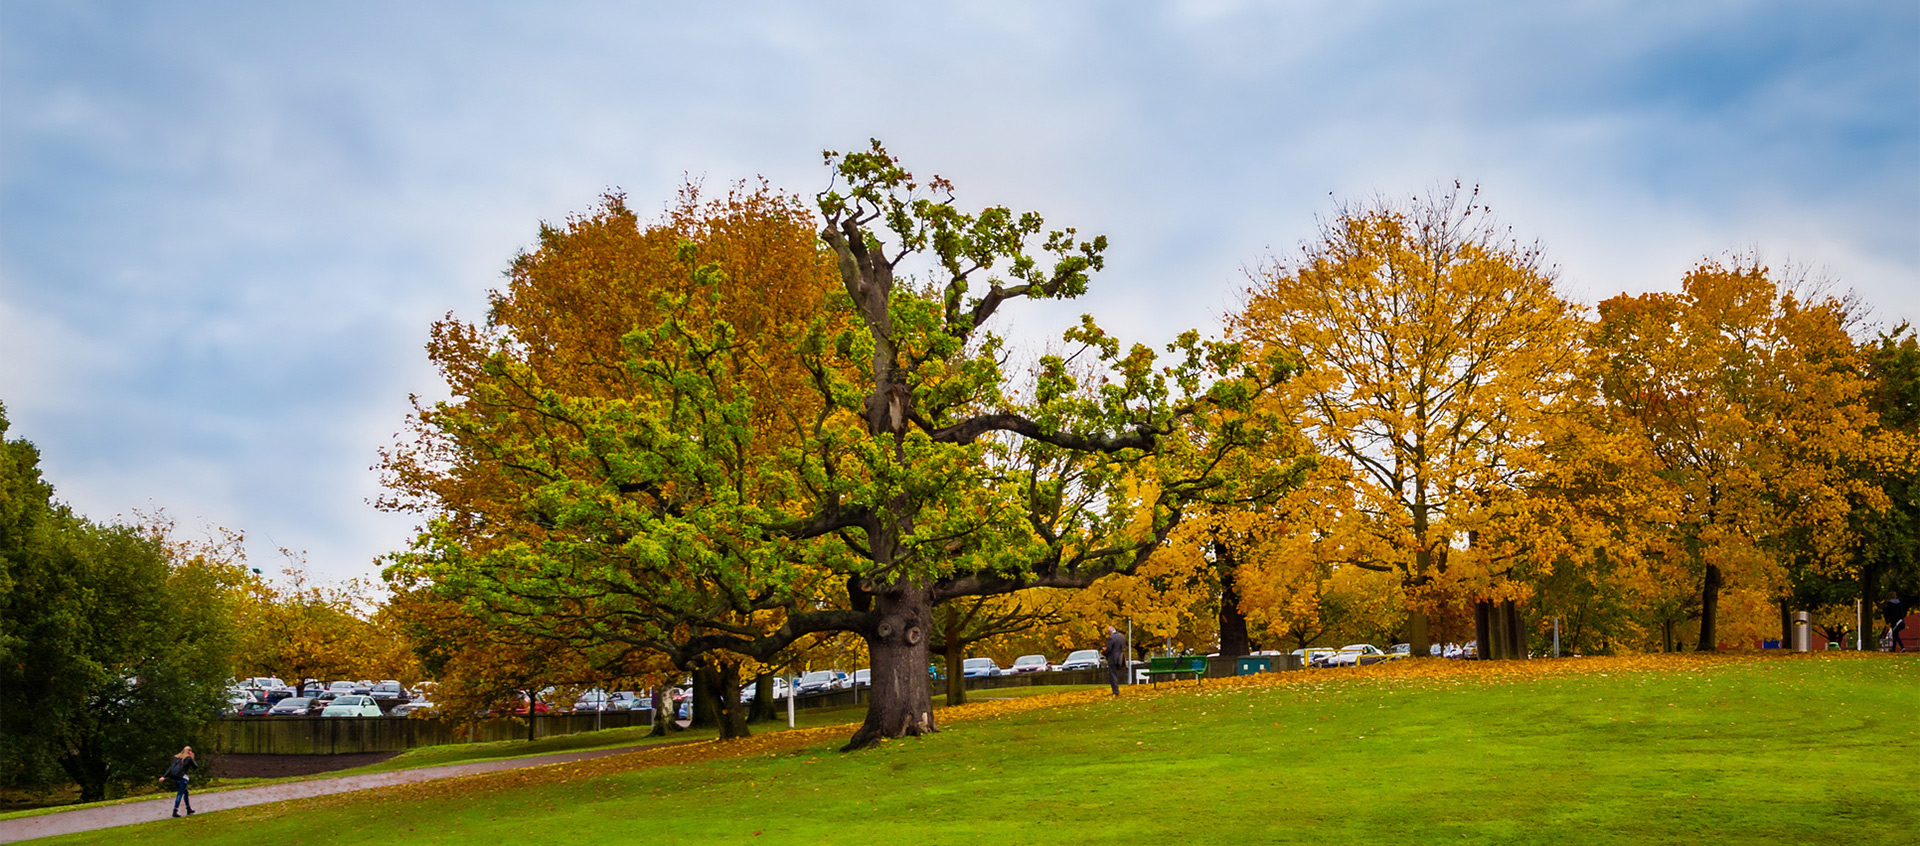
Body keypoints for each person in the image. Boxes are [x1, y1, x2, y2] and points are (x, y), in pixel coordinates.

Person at [160, 746, 196, 817]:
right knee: (179, 794)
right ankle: (175, 811)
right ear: (189, 751)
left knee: (186, 792)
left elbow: (171, 768)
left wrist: (164, 776)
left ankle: (188, 808)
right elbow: (195, 766)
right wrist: (192, 757)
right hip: (182, 779)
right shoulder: (188, 758)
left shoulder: (177, 758)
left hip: (175, 778)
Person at [1102, 626, 1128, 696]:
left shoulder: (1111, 638)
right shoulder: (1122, 636)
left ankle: (1115, 691)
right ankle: (1116, 690)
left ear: (1110, 632)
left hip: (1113, 659)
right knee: (1116, 674)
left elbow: (1109, 649)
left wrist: (1105, 649)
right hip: (1121, 658)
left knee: (1113, 675)